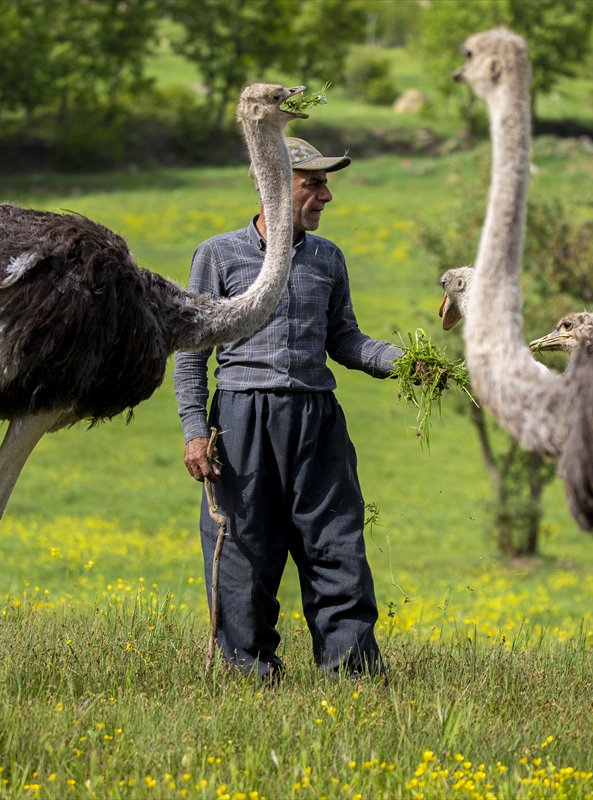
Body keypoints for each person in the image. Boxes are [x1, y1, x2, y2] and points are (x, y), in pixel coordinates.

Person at [174, 136, 400, 682]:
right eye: (314, 183)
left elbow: (345, 340)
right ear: (275, 185)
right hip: (242, 418)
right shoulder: (218, 255)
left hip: (317, 421)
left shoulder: (327, 258)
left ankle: (353, 675)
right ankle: (248, 674)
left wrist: (406, 362)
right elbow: (190, 356)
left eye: (326, 184)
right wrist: (194, 431)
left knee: (337, 542)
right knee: (243, 552)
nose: (326, 195)